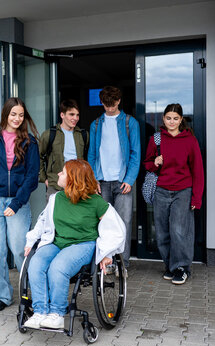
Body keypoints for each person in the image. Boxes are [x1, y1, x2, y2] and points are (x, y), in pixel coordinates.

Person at [23, 159, 126, 329]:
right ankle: (40, 311)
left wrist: (107, 253)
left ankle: (56, 313)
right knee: (36, 264)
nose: (58, 174)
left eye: (62, 172)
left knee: (58, 267)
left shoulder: (96, 202)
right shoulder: (57, 198)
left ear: (72, 178)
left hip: (83, 245)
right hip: (57, 242)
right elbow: (42, 221)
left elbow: (115, 229)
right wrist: (31, 240)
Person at [0, 97, 40, 311]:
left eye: (21, 115)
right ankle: (2, 296)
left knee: (20, 249)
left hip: (17, 202)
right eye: (13, 114)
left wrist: (17, 202)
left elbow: (31, 177)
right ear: (6, 115)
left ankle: (28, 293)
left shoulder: (30, 142)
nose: (17, 118)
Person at [143, 103, 204, 285]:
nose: (171, 121)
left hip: (183, 191)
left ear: (181, 120)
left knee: (179, 231)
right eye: (168, 118)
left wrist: (197, 198)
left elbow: (198, 171)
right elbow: (146, 164)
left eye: (175, 118)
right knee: (162, 232)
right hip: (161, 190)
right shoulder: (156, 139)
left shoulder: (189, 140)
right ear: (163, 119)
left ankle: (182, 267)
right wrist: (155, 162)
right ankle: (170, 265)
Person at [87, 86, 141, 269]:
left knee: (123, 223)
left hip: (122, 181)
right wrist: (93, 179)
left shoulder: (130, 122)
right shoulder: (95, 124)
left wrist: (130, 178)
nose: (110, 108)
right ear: (102, 103)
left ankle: (122, 264)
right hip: (101, 182)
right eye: (106, 104)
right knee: (103, 223)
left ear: (119, 101)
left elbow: (135, 153)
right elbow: (91, 155)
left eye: (113, 104)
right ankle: (106, 263)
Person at [39, 99, 88, 200]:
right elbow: (38, 156)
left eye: (77, 115)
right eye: (71, 114)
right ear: (62, 115)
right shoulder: (49, 134)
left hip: (78, 185)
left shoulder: (83, 135)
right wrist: (44, 179)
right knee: (54, 215)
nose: (75, 118)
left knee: (76, 215)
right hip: (55, 185)